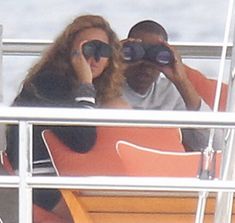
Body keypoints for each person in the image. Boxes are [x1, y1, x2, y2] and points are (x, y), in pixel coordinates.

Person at [5, 14, 129, 214]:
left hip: (70, 178)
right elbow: (82, 141)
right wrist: (86, 84)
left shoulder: (96, 92)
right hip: (41, 184)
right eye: (88, 48)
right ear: (71, 53)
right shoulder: (48, 83)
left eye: (103, 50)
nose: (95, 58)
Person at [121, 20, 224, 151]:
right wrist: (113, 68)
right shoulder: (106, 89)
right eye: (137, 52)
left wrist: (181, 81)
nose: (145, 64)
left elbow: (214, 145)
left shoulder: (170, 93)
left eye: (153, 54)